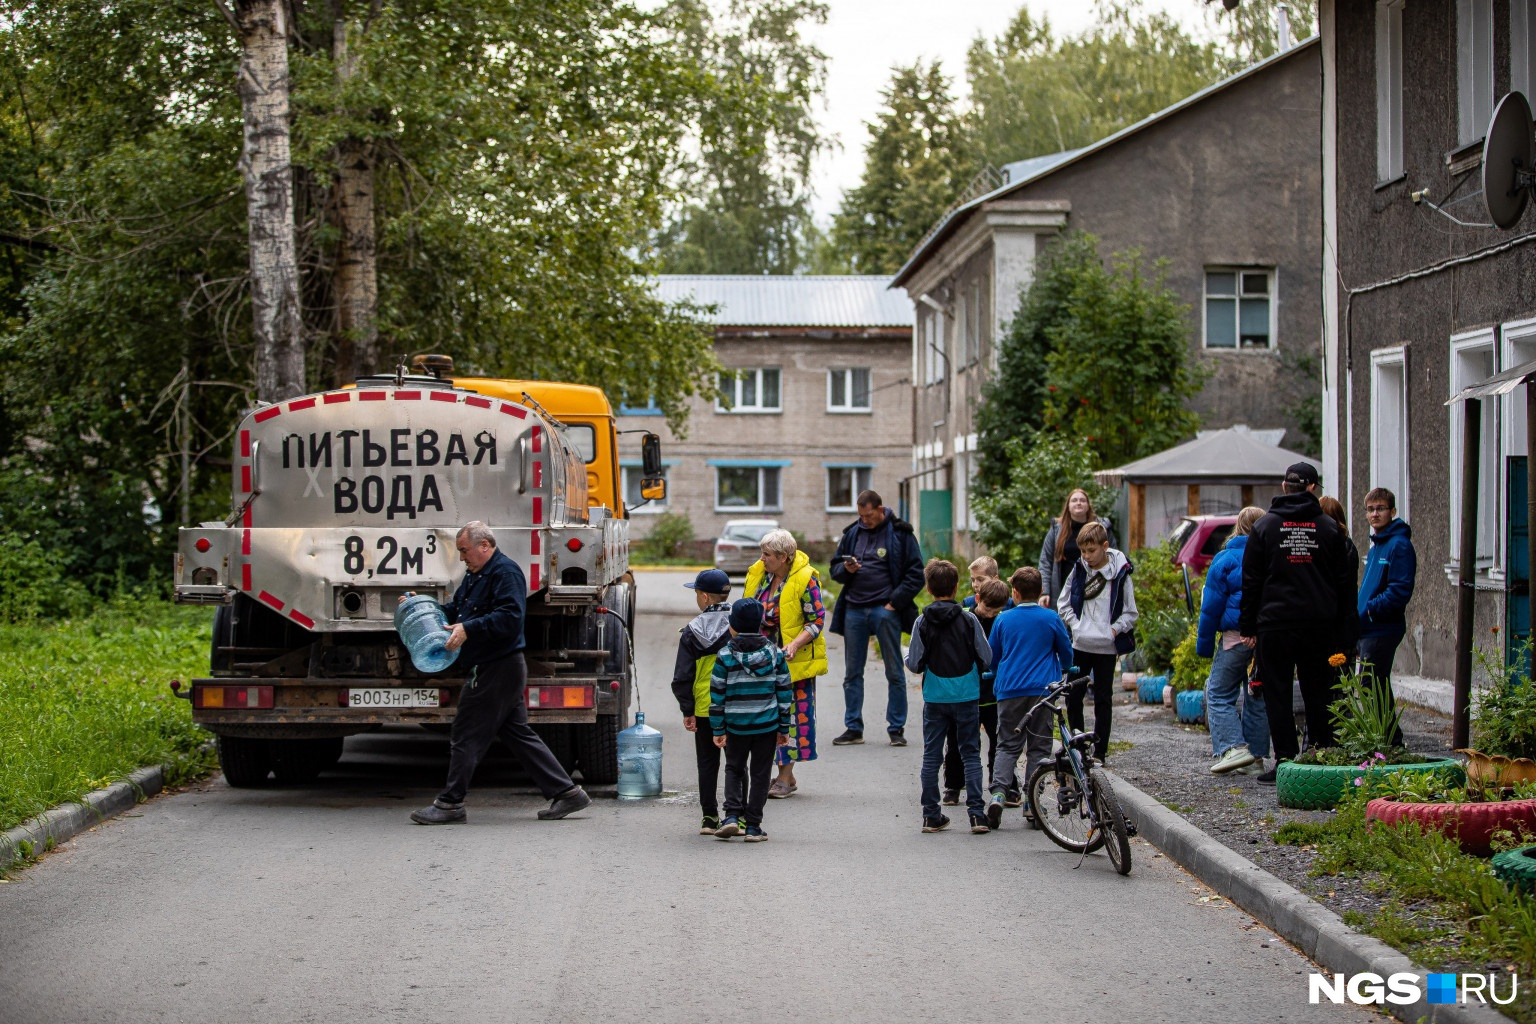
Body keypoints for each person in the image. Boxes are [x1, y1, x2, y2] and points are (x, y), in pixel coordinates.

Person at [408, 522, 590, 825]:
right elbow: (458, 611)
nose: (462, 557)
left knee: (465, 733)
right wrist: (421, 606)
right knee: (518, 733)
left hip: (497, 666)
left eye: (464, 550)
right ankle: (567, 793)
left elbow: (510, 618)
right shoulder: (476, 575)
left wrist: (469, 629)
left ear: (484, 545)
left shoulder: (505, 573)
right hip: (496, 667)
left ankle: (450, 804)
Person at [1240, 462, 1358, 784]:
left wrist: (1248, 625)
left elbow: (1251, 580)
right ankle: (1318, 754)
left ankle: (1287, 762)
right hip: (1319, 626)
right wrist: (1347, 634)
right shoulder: (1329, 529)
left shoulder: (1264, 528)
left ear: (1283, 487)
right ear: (1312, 489)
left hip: (1274, 625)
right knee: (1318, 692)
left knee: (1277, 693)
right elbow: (1345, 586)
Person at [828, 490, 925, 746]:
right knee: (852, 673)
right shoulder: (852, 534)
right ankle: (853, 727)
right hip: (854, 610)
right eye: (861, 515)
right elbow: (834, 570)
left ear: (880, 509)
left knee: (894, 670)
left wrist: (894, 602)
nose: (865, 520)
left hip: (886, 610)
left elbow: (917, 573)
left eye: (868, 515)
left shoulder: (901, 533)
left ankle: (896, 729)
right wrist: (846, 569)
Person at [905, 559, 993, 834]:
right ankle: (977, 815)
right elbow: (986, 657)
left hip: (935, 697)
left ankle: (931, 815)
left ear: (928, 589)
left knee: (932, 755)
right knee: (970, 753)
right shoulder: (969, 619)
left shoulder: (922, 621)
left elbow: (915, 663)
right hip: (967, 695)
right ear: (957, 588)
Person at [984, 567, 1074, 830]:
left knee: (1007, 744)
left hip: (1009, 690)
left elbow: (993, 656)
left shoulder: (1003, 619)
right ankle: (1031, 802)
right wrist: (1067, 668)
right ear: (1041, 592)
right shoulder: (1050, 618)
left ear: (1014, 592)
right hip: (1042, 692)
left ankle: (999, 793)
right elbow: (1066, 651)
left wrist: (994, 673)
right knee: (1038, 747)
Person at [742, 529, 827, 799]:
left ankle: (784, 776)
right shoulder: (761, 575)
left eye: (767, 554)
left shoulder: (805, 579)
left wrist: (794, 644)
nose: (762, 558)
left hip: (792, 662)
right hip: (762, 660)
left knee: (790, 718)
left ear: (783, 557)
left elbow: (816, 621)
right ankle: (779, 774)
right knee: (765, 715)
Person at [709, 599, 792, 842]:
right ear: (760, 625)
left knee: (734, 769)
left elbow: (717, 696)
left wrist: (718, 727)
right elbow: (784, 692)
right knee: (761, 773)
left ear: (733, 625)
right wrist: (784, 726)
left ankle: (733, 816)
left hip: (735, 726)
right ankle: (754, 826)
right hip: (767, 725)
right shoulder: (776, 654)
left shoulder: (724, 655)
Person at [1196, 506, 1270, 776]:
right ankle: (1257, 757)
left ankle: (1233, 748)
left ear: (1238, 526)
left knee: (1217, 693)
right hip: (1265, 639)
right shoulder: (1271, 557)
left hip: (1234, 638)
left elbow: (1211, 607)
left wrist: (1203, 645)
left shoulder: (1225, 558)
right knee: (1257, 695)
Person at [1055, 522, 1137, 763]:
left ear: (1105, 546)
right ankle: (1078, 748)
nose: (1087, 556)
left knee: (1103, 698)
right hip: (1080, 645)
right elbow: (1063, 602)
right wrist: (1076, 625)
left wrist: (1113, 631)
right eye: (1083, 551)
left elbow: (1131, 612)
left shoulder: (1121, 574)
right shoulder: (1079, 570)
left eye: (1091, 551)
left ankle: (1100, 752)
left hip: (1106, 648)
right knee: (1073, 696)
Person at [669, 568, 734, 834]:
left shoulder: (692, 631)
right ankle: (736, 816)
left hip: (705, 707)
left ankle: (709, 817)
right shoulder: (740, 626)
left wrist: (688, 708)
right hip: (736, 706)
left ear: (705, 597)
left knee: (707, 763)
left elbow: (682, 676)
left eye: (696, 593)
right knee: (737, 762)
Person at [943, 576, 1011, 805]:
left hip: (994, 692)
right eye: (987, 608)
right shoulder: (964, 617)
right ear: (978, 599)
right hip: (966, 690)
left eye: (996, 610)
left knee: (999, 740)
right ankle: (953, 785)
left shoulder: (1003, 621)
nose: (990, 613)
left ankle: (1003, 784)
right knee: (957, 740)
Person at [1358, 487, 1416, 747]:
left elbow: (1399, 590)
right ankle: (1385, 738)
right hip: (1369, 627)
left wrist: (1371, 608)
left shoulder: (1399, 545)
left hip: (1383, 627)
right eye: (1370, 509)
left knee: (1371, 684)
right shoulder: (1376, 546)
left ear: (1392, 512)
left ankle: (1390, 741)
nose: (1375, 513)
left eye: (1380, 508)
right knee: (1372, 685)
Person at [1038, 489, 1116, 610]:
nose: (1078, 503)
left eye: (1082, 500)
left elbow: (1113, 557)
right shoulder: (1056, 530)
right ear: (1068, 506)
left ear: (1088, 506)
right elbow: (1045, 562)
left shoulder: (1101, 528)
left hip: (1094, 587)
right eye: (1074, 500)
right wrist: (1044, 592)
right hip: (1063, 590)